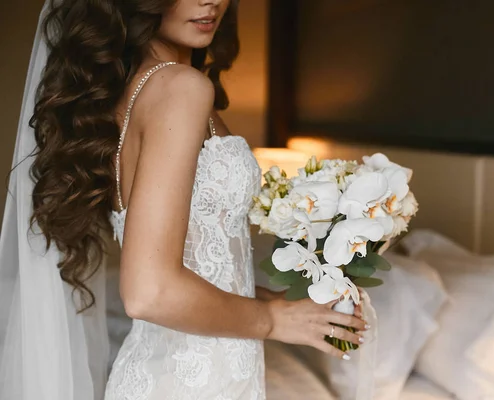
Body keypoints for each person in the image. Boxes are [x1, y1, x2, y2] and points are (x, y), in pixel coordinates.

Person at [0, 0, 368, 399]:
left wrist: (283, 307)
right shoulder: (179, 89)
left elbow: (196, 262)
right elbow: (149, 292)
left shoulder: (141, 89)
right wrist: (270, 320)